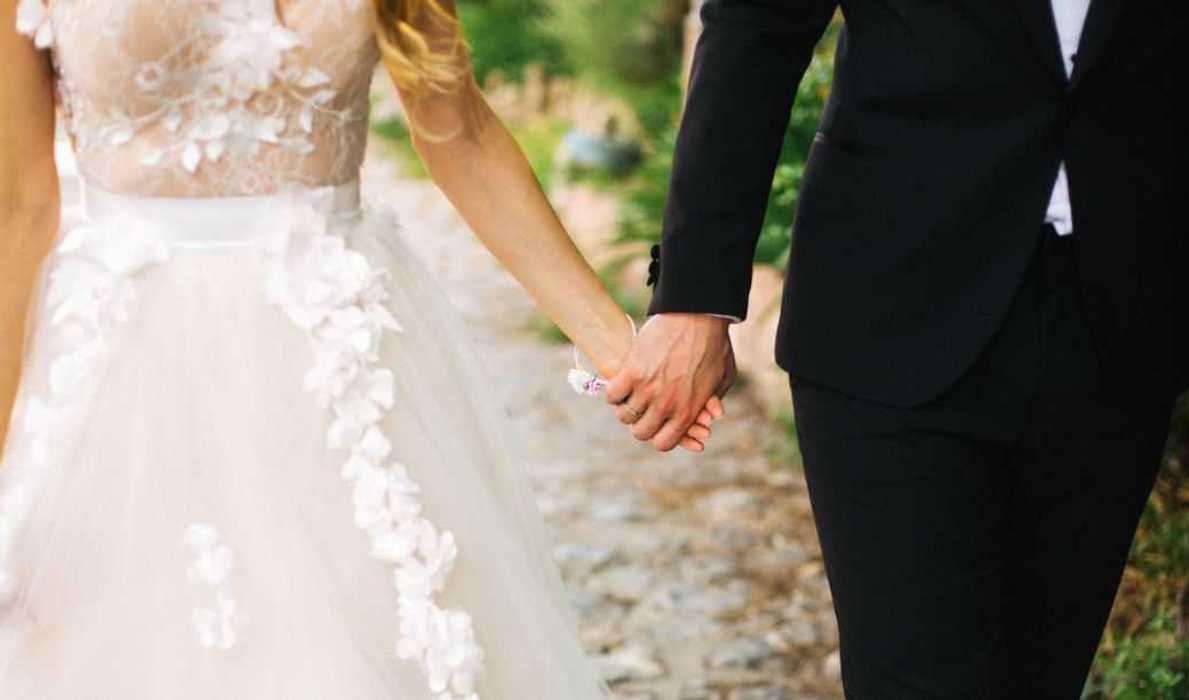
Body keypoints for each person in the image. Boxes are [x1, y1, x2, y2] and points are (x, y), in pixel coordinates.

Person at [0, 0, 719, 696]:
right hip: (123, 378)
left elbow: (458, 129)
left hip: (342, 369)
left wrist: (619, 349)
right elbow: (19, 208)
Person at [608, 0, 1189, 697]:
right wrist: (695, 295)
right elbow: (754, 27)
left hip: (1123, 320)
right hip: (885, 306)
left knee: (1041, 678)